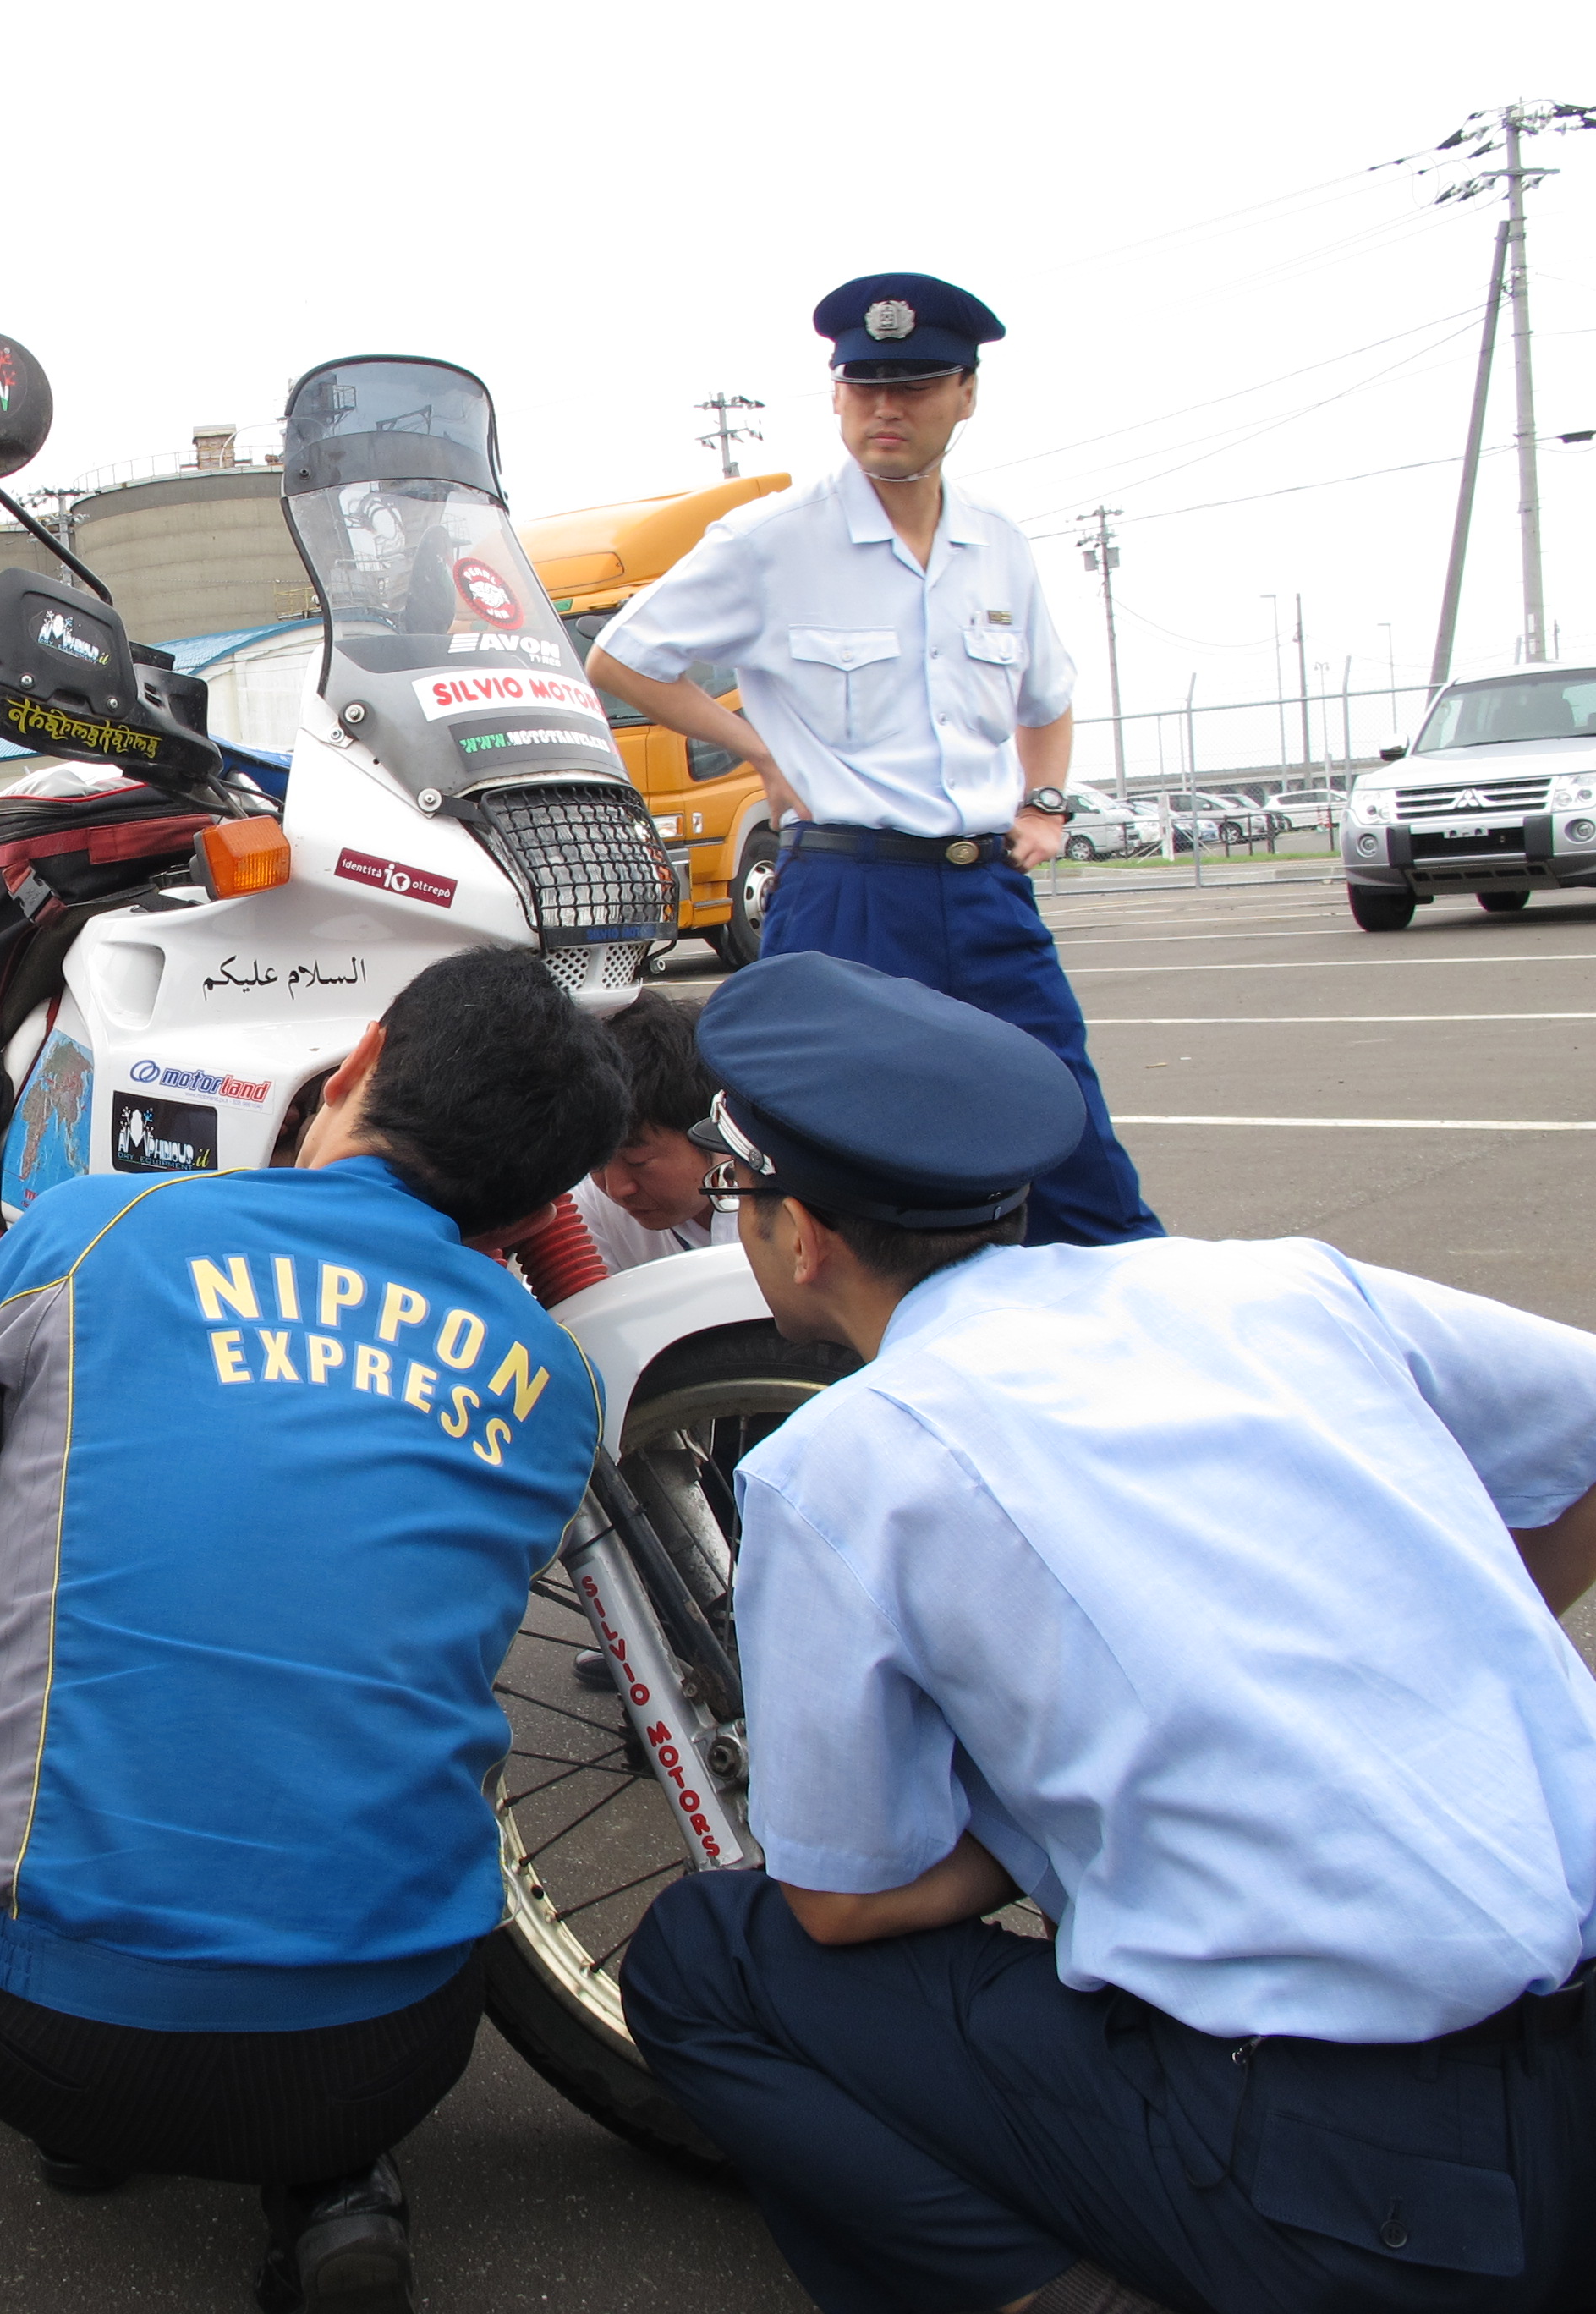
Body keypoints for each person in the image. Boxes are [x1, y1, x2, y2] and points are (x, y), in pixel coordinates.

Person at [617, 950, 1596, 2314]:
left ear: (802, 1237)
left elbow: (841, 1900)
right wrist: (1453, 1645)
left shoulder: (838, 1462)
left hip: (1360, 2183)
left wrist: (1048, 1812)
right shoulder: (1271, 1286)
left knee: (707, 1959)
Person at [0, 946, 628, 2314]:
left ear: (359, 1060)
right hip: (389, 2049)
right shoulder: (552, 1382)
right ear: (524, 1215)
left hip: (20, 2023)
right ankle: (333, 2186)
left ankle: (92, 2124)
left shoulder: (89, 1233)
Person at [585, 272, 1160, 1248]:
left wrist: (1045, 806)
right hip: (846, 893)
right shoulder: (774, 540)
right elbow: (624, 660)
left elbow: (1048, 699)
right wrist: (763, 753)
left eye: (916, 385)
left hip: (984, 894)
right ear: (837, 396)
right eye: (865, 386)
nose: (886, 408)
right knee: (834, 1181)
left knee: (1071, 1147)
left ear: (966, 395)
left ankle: (1120, 1323)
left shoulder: (997, 545)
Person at [570, 990, 734, 1274]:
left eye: (638, 1162)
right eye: (596, 1160)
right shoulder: (586, 1209)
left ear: (716, 1133)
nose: (617, 1189)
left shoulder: (790, 1207)